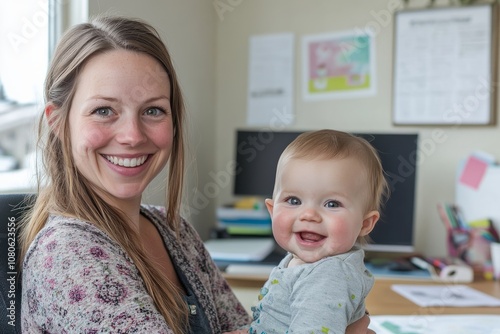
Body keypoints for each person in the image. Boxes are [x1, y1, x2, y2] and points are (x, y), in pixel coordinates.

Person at [18, 15, 372, 334]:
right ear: (57, 123)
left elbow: (244, 329)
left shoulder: (172, 229)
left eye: (153, 110)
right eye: (104, 110)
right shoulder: (66, 254)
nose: (132, 135)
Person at [248, 129, 388, 334]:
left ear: (365, 223)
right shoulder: (296, 260)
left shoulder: (328, 277)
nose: (309, 215)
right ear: (272, 210)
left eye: (332, 204)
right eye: (293, 201)